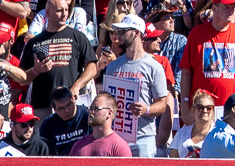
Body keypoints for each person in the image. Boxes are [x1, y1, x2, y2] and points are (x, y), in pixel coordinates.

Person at [100, 17, 170, 157]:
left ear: (136, 33)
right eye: (118, 31)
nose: (118, 35)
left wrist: (147, 109)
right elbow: (106, 99)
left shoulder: (154, 67)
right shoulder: (113, 66)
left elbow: (162, 104)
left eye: (123, 31)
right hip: (116, 136)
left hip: (143, 138)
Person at [69, 92, 132, 157]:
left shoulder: (119, 147)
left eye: (96, 109)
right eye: (90, 108)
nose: (91, 112)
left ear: (109, 113)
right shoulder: (78, 146)